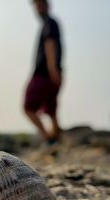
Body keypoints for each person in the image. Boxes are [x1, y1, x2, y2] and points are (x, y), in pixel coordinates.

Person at [24, 0, 63, 144]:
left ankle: (49, 138)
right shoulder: (49, 23)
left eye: (40, 4)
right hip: (52, 72)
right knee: (51, 108)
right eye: (36, 5)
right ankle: (56, 137)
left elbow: (50, 44)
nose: (38, 8)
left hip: (43, 73)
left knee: (28, 107)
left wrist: (52, 69)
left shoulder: (49, 22)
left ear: (47, 6)